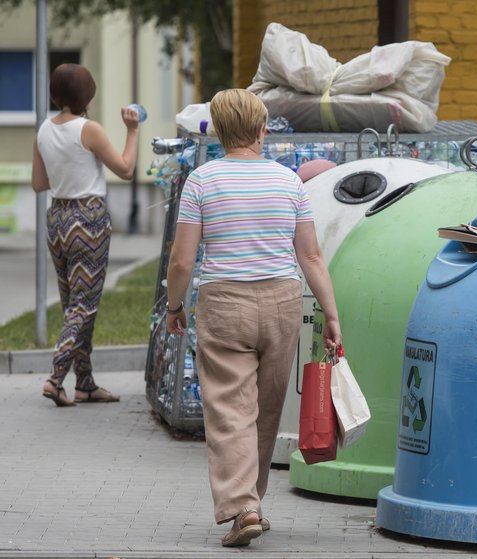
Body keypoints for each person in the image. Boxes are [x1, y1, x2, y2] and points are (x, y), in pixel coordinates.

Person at [164, 88, 341, 548]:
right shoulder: (290, 183)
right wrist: (331, 313)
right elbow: (312, 256)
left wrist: (175, 305)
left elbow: (183, 261)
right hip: (283, 301)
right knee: (264, 409)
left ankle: (244, 506)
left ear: (219, 131)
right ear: (264, 130)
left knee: (229, 410)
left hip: (225, 302)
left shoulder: (201, 181)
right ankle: (252, 503)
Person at [31, 63, 139, 407]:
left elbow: (38, 183)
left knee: (74, 305)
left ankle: (86, 383)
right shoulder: (89, 129)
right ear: (87, 95)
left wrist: (66, 168)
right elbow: (125, 169)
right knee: (84, 304)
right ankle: (55, 377)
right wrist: (132, 130)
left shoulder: (44, 130)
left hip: (57, 217)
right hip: (88, 219)